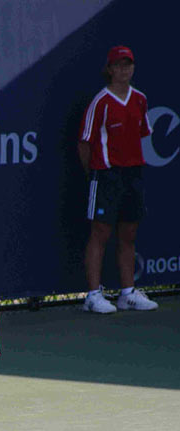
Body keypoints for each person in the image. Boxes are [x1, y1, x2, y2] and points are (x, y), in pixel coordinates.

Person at [78, 45, 158, 313]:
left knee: (129, 233)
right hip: (106, 176)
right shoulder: (100, 102)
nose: (124, 70)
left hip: (133, 174)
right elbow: (85, 143)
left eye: (128, 64)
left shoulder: (140, 100)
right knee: (100, 232)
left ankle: (127, 293)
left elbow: (142, 134)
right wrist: (95, 174)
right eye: (119, 65)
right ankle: (92, 295)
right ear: (110, 70)